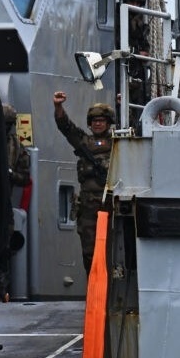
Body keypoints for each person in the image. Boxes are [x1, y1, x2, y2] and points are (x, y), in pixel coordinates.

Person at [52, 91, 114, 270]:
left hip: (111, 204)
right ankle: (94, 290)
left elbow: (137, 129)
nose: (97, 123)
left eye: (101, 120)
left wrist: (124, 103)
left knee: (114, 251)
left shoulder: (119, 142)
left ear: (108, 123)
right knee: (89, 252)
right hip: (88, 207)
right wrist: (58, 106)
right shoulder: (84, 142)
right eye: (94, 121)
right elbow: (66, 127)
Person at [4, 104, 31, 189]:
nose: (6, 127)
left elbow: (25, 178)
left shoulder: (16, 146)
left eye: (9, 124)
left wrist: (11, 174)